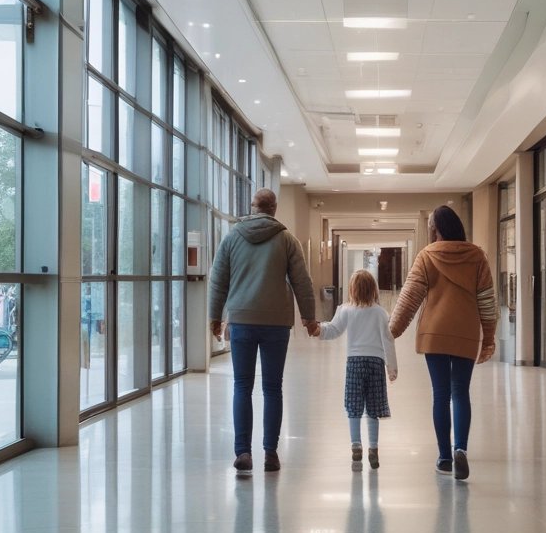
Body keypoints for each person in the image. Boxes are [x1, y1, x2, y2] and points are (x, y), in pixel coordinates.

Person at [209, 188, 318, 475]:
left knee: (242, 386)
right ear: (274, 209)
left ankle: (243, 452)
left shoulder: (232, 237)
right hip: (276, 324)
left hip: (242, 320)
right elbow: (302, 282)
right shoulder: (287, 240)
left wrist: (214, 317)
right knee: (273, 388)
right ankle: (271, 453)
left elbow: (218, 279)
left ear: (253, 207)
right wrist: (309, 318)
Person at [389, 205, 497, 481]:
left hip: (434, 333)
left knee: (440, 394)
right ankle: (461, 447)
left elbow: (410, 297)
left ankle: (445, 457)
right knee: (461, 392)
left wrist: (391, 332)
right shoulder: (477, 257)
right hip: (466, 332)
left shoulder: (427, 256)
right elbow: (486, 301)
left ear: (435, 229)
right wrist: (489, 337)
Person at [313, 269, 397, 470]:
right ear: (374, 290)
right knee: (373, 409)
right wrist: (392, 367)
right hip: (375, 364)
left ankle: (356, 445)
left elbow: (333, 330)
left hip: (354, 363)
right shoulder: (381, 313)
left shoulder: (346, 310)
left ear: (352, 290)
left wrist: (318, 330)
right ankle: (373, 449)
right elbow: (388, 340)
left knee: (353, 406)